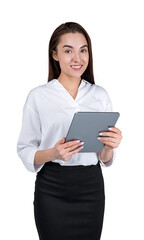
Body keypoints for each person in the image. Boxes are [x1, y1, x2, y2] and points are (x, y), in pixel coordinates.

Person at [17, 22, 122, 240]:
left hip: (91, 187)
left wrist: (109, 147)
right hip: (52, 187)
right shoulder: (38, 96)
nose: (78, 58)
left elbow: (104, 158)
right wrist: (53, 153)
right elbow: (25, 149)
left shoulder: (100, 95)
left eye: (83, 50)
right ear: (54, 54)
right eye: (68, 51)